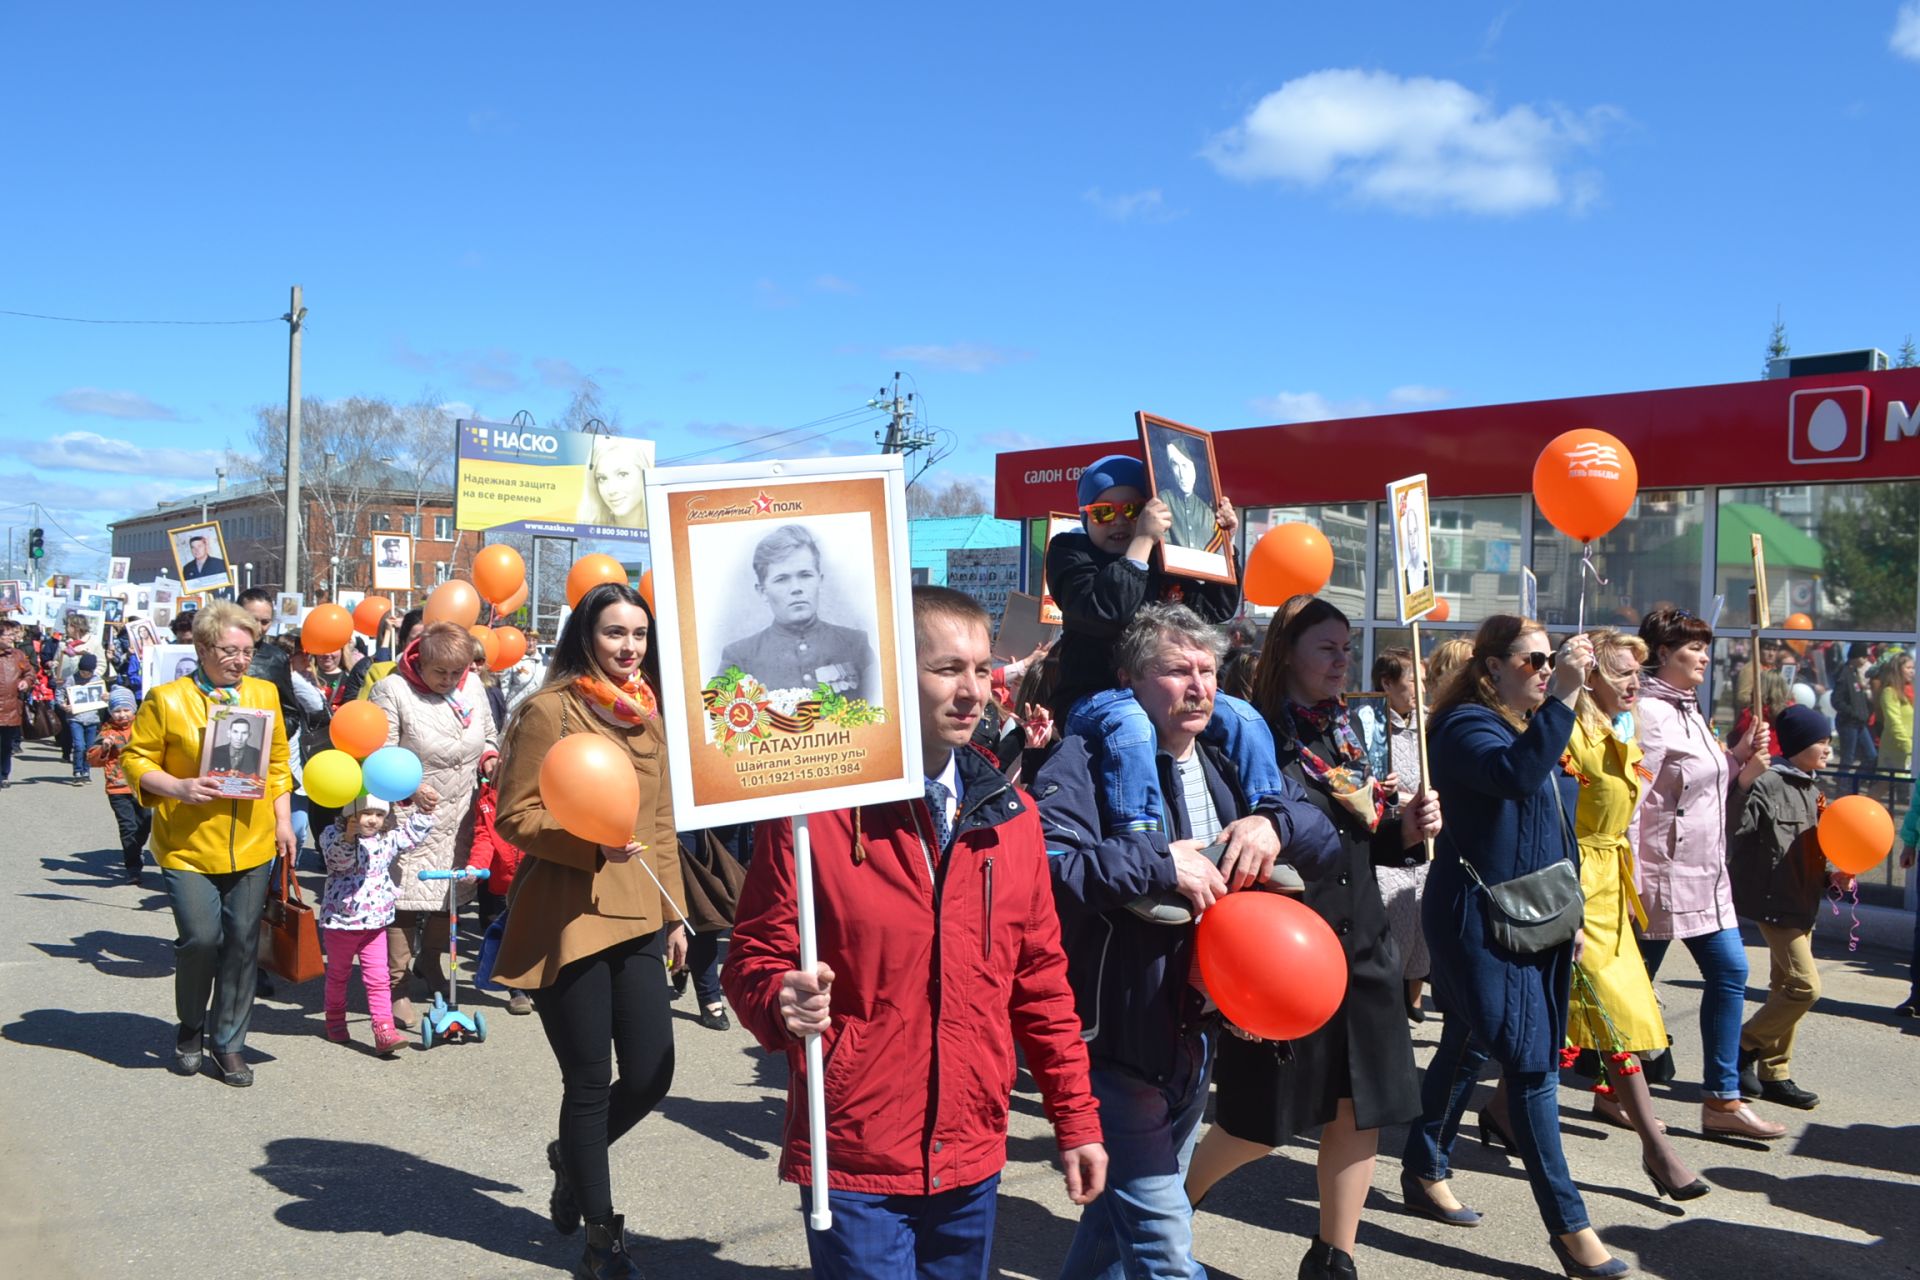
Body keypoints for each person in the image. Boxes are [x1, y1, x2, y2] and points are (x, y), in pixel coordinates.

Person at [727, 586, 1107, 1278]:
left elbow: (1043, 985)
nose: (972, 690)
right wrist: (779, 1001)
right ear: (898, 676)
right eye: (946, 670)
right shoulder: (816, 813)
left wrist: (1075, 1119)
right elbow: (753, 954)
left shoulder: (1011, 817)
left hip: (972, 1150)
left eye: (981, 669)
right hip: (857, 1151)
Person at [1037, 603, 1336, 1280]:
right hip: (1116, 1040)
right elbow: (1050, 868)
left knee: (1115, 1231)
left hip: (1197, 1034)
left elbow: (1324, 845)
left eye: (1207, 669)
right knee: (1166, 1250)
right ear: (1129, 681)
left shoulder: (1232, 756)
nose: (1199, 685)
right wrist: (1157, 862)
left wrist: (1276, 827)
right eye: (1176, 670)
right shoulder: (1083, 757)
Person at [1186, 598, 1440, 1280]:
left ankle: (1335, 1258)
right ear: (1288, 652)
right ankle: (1166, 1212)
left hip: (1363, 944)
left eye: (1347, 647)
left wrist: (1405, 830)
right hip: (1285, 952)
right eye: (1327, 647)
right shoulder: (1252, 733)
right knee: (1257, 1120)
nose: (1341, 661)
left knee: (1362, 1110)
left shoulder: (1344, 731)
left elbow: (1358, 837)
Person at [1401, 617, 1630, 1279]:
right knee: (1532, 1067)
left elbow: (1550, 823)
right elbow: (1516, 780)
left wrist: (1569, 915)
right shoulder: (1464, 727)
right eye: (1532, 661)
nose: (1544, 669)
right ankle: (1572, 1230)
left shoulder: (1531, 725)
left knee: (1468, 1044)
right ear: (1491, 666)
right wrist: (1561, 696)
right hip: (1477, 921)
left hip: (1534, 918)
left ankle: (1423, 1165)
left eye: (1548, 660)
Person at [491, 583, 686, 1280]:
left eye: (638, 634)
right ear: (585, 637)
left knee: (653, 1072)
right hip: (568, 916)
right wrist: (587, 844)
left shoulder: (652, 715)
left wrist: (675, 915)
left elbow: (660, 824)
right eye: (614, 633)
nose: (628, 646)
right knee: (589, 1082)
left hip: (639, 910)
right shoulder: (551, 709)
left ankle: (571, 1157)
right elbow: (514, 816)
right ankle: (602, 1239)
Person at [119, 601, 295, 1088]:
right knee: (202, 940)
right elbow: (135, 760)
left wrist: (283, 821)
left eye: (248, 650)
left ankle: (230, 1042)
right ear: (201, 647)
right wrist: (178, 787)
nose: (240, 661)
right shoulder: (167, 698)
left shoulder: (263, 693)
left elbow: (278, 762)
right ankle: (191, 1025)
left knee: (241, 943)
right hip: (188, 845)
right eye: (229, 651)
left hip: (254, 842)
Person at [1563, 629, 1707, 1201]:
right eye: (1622, 672)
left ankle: (1498, 1112)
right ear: (1590, 675)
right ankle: (1657, 1147)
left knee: (1603, 1013)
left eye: (1637, 674)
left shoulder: (1624, 725)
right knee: (1611, 1012)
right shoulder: (1566, 729)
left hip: (1611, 882)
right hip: (1573, 882)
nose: (1635, 684)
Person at [1632, 606, 1785, 1140]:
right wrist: (1627, 878)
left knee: (1730, 972)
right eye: (1693, 647)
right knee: (1628, 990)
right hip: (1660, 877)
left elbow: (1705, 785)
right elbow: (1634, 800)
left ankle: (1721, 1099)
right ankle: (1604, 1084)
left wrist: (1742, 760)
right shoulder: (1648, 714)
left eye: (1705, 646)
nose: (1704, 655)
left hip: (1706, 873)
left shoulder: (1690, 708)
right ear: (1662, 655)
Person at [367, 620, 497, 1028]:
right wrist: (411, 787)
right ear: (419, 661)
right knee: (404, 900)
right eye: (440, 672)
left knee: (452, 893)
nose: (449, 680)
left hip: (461, 808)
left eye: (456, 673)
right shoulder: (392, 691)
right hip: (409, 812)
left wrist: (490, 759)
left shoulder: (472, 686)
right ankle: (397, 985)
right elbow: (379, 752)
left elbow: (489, 735)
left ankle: (431, 961)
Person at [1730, 704, 1841, 1111]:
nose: (1828, 749)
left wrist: (1834, 874)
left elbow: (1820, 847)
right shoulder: (1768, 783)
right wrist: (1744, 784)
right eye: (1821, 742)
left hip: (1803, 899)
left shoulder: (1813, 789)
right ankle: (1743, 1045)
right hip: (1774, 901)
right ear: (1797, 745)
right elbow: (1735, 829)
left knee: (1783, 987)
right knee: (1803, 987)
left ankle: (1774, 1072)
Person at [318, 790, 438, 1056]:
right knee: (339, 975)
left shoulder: (386, 838)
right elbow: (337, 862)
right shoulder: (331, 835)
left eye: (380, 814)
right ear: (350, 814)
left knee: (378, 979)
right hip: (342, 922)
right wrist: (349, 837)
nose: (373, 820)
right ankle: (335, 1019)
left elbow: (410, 837)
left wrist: (424, 812)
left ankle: (384, 1029)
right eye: (366, 813)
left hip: (375, 923)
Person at [1351, 646, 1432, 1021]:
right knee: (1395, 929)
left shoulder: (1429, 724)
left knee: (1421, 933)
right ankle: (1390, 1007)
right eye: (1414, 678)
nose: (1421, 687)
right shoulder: (1362, 724)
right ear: (1388, 682)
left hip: (1427, 844)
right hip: (1390, 844)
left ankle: (1413, 1001)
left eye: (1423, 679)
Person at [715, 524, 876, 699]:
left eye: (805, 575)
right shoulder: (739, 658)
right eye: (782, 579)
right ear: (762, 591)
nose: (796, 588)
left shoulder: (856, 644)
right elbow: (721, 722)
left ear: (819, 581)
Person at [89, 687, 151, 883]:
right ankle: (133, 867)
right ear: (110, 712)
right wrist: (104, 748)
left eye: (126, 710)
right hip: (117, 787)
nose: (122, 714)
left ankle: (137, 849)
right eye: (117, 711)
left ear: (134, 709)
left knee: (145, 823)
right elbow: (92, 759)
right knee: (128, 827)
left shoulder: (144, 727)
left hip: (143, 785)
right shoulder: (107, 731)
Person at [576, 435, 651, 530]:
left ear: (644, 473)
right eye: (602, 478)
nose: (611, 490)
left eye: (622, 474)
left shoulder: (662, 527)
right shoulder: (587, 530)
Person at [1156, 436, 1217, 550]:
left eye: (1184, 465)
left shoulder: (1207, 512)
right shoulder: (1163, 500)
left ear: (1195, 468)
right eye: (1175, 465)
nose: (1181, 473)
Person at [1832, 644, 1876, 775]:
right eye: (1863, 657)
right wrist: (1853, 712)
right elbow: (1836, 700)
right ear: (1855, 657)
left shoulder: (1855, 672)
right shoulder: (1844, 673)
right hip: (1848, 723)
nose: (1866, 660)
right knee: (1848, 758)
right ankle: (1843, 787)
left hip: (1859, 722)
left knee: (1871, 755)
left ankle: (1854, 782)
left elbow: (1858, 695)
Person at [0, 621, 33, 787]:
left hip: (10, 708)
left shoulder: (18, 655)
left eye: (14, 635)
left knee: (5, 745)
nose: (12, 638)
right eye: (8, 635)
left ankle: (3, 775)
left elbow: (29, 672)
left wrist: (26, 682)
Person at [66, 652, 103, 785]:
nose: (84, 675)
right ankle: (77, 771)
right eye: (82, 672)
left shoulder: (97, 680)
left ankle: (86, 771)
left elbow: (103, 696)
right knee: (79, 745)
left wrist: (105, 698)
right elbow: (60, 693)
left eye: (87, 672)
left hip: (92, 718)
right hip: (76, 718)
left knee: (89, 747)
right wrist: (65, 706)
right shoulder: (71, 679)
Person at [1876, 652, 1914, 773]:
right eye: (1908, 668)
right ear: (1897, 670)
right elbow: (1894, 723)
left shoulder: (1910, 691)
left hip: (1911, 748)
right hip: (1897, 749)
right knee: (1884, 785)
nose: (1912, 671)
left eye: (1913, 668)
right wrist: (1910, 747)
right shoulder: (1890, 692)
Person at [209, 713, 264, 777]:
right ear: (229, 733)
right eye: (235, 732)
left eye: (244, 733)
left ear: (249, 735)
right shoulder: (215, 752)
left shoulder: (257, 755)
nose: (239, 738)